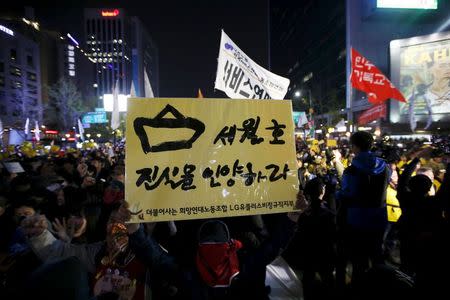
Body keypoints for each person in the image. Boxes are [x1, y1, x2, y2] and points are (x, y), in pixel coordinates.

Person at [21, 203, 179, 300]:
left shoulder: (152, 253)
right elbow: (61, 252)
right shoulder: (97, 251)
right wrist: (39, 235)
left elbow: (165, 268)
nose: (116, 226)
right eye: (112, 220)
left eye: (124, 222)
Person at [335, 131, 390, 286]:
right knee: (377, 254)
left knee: (359, 259)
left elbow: (347, 194)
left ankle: (359, 288)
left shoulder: (351, 171)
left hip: (357, 219)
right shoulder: (385, 167)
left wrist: (337, 193)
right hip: (379, 216)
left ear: (354, 147)